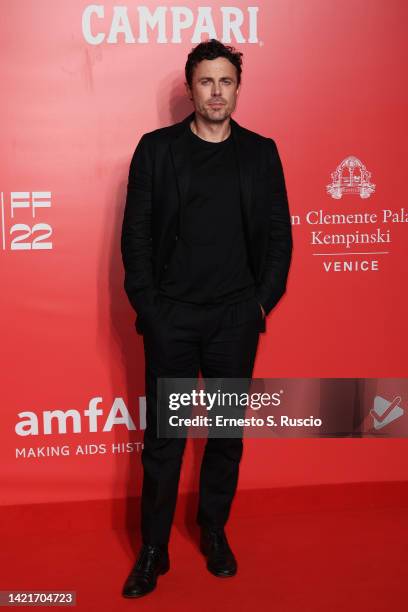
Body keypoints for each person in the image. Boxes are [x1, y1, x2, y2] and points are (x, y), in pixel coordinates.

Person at [120, 38, 292, 598]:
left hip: (232, 323)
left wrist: (258, 304)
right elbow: (137, 237)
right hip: (172, 320)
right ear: (190, 87)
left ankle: (214, 530)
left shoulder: (261, 153)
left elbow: (280, 240)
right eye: (205, 82)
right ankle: (153, 548)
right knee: (166, 438)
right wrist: (150, 308)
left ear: (237, 88)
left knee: (224, 434)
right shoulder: (155, 150)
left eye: (225, 82)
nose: (216, 92)